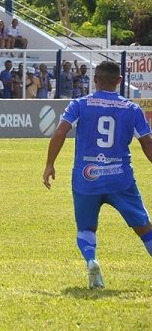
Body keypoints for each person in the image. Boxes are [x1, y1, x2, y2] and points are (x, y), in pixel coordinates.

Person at [43, 61, 152, 289]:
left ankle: (92, 259)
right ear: (119, 81)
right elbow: (147, 145)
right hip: (120, 179)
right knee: (143, 227)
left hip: (86, 178)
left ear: (95, 79)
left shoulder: (80, 104)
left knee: (86, 228)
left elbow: (60, 131)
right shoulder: (132, 109)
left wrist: (49, 165)